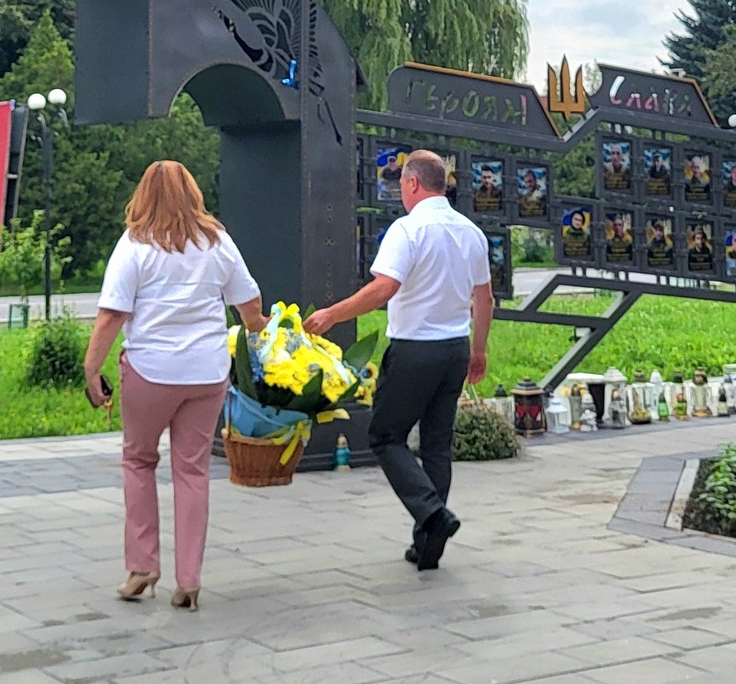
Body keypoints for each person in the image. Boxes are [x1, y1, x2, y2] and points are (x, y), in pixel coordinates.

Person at [83, 160, 262, 611]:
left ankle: (142, 567)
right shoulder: (217, 241)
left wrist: (91, 369)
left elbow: (113, 314)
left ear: (143, 195)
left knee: (139, 461)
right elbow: (249, 302)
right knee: (192, 470)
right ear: (193, 194)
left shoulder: (134, 244)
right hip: (207, 373)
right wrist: (257, 328)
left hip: (151, 371)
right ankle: (189, 581)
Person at [307, 149, 488, 573]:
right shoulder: (471, 232)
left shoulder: (408, 229)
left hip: (414, 349)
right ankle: (428, 546)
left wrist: (333, 314)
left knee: (386, 436)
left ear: (412, 183)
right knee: (437, 445)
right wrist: (478, 350)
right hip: (455, 348)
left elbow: (383, 289)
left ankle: (432, 514)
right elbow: (485, 298)